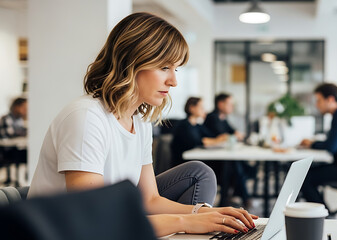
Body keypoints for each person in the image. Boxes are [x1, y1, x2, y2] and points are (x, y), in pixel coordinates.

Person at [28, 12, 256, 237]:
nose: (173, 81)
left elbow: (149, 200)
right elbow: (95, 219)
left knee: (199, 172)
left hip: (108, 219)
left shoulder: (140, 122)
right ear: (132, 62)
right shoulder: (86, 117)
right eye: (164, 67)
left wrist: (207, 213)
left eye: (175, 69)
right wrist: (187, 222)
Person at [204, 93, 251, 208]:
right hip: (211, 160)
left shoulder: (223, 118)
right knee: (234, 165)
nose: (232, 107)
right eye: (229, 104)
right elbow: (223, 135)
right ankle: (241, 197)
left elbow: (232, 131)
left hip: (221, 157)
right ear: (220, 104)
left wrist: (235, 134)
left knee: (235, 164)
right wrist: (234, 135)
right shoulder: (212, 117)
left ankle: (230, 199)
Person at [171, 97, 228, 167]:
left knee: (225, 163)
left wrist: (216, 139)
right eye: (201, 107)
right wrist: (216, 140)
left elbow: (211, 136)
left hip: (195, 159)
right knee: (222, 164)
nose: (204, 110)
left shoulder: (197, 125)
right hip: (184, 163)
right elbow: (199, 142)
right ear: (192, 108)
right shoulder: (183, 125)